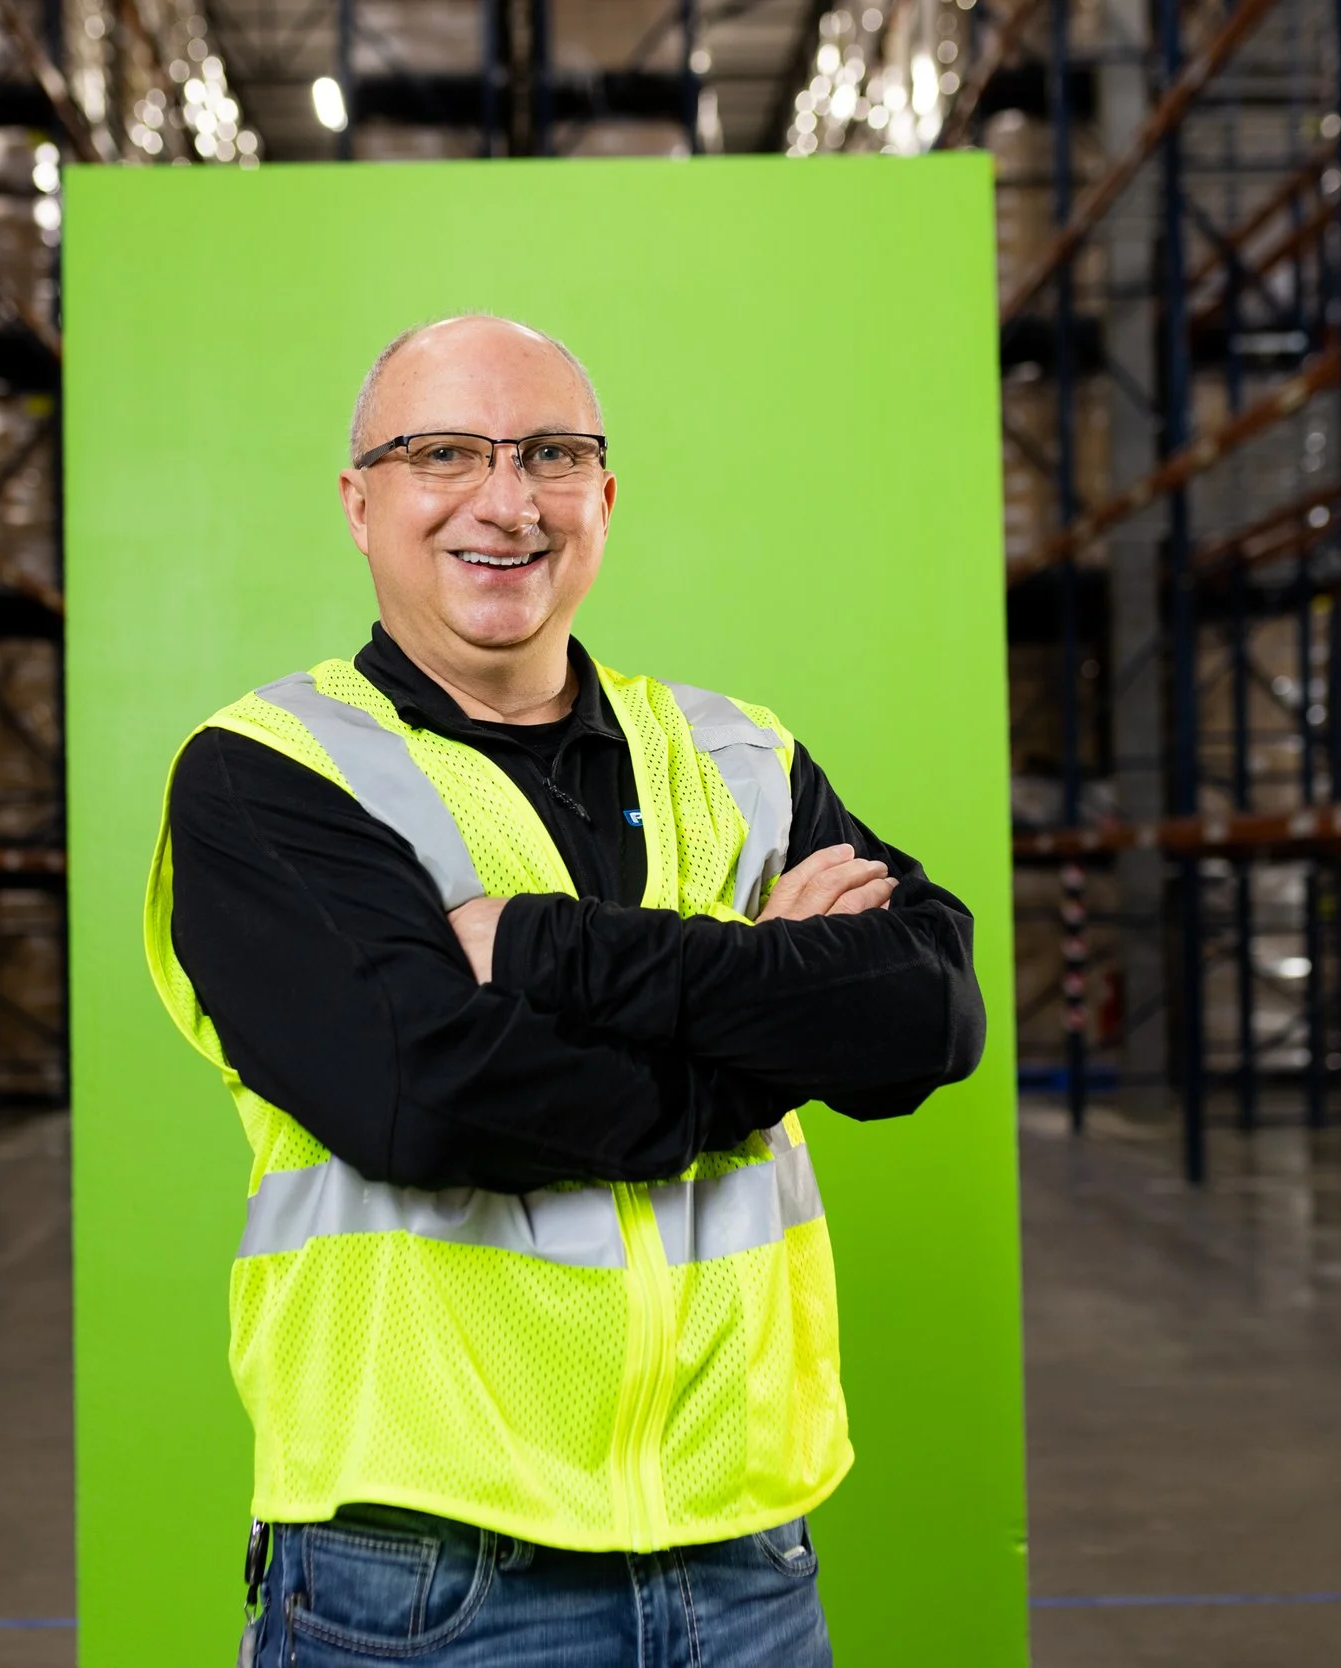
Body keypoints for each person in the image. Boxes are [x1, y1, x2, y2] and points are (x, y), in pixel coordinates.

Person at [144, 314, 985, 1666]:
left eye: (551, 454)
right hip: (427, 1578)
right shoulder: (270, 774)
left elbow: (924, 1019)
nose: (505, 499)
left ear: (603, 495)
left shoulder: (735, 753)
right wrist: (769, 1006)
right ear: (361, 502)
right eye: (443, 453)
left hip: (746, 1562)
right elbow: (426, 1099)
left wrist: (541, 954)